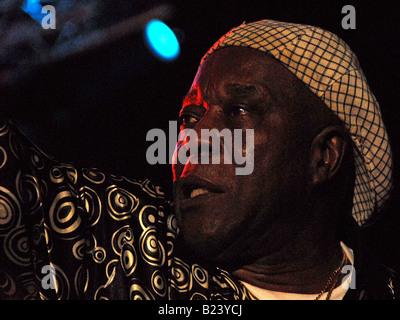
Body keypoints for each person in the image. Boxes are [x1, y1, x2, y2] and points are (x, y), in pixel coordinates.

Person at [0, 19, 396, 300]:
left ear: (323, 157)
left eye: (240, 110)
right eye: (189, 117)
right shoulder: (127, 240)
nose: (192, 138)